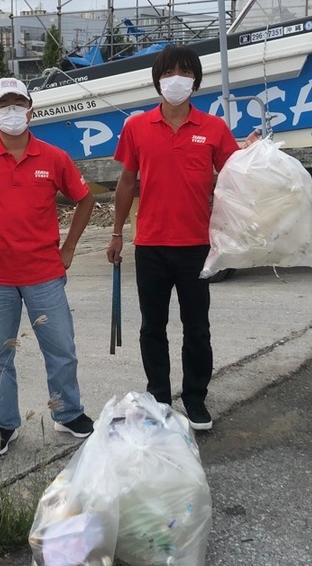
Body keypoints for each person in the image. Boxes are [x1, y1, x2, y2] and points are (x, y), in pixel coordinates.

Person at [106, 45, 256, 431]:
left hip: (196, 247)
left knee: (197, 328)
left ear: (196, 81)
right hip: (150, 245)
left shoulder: (213, 128)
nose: (177, 79)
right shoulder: (137, 127)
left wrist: (250, 153)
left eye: (185, 73)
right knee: (151, 327)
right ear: (158, 80)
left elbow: (234, 174)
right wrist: (117, 233)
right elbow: (127, 182)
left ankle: (195, 398)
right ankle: (158, 396)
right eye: (169, 72)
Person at [0, 77, 97, 457]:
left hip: (44, 273)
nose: (12, 111)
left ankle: (67, 412)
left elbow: (84, 200)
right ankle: (3, 423)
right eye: (4, 105)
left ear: (31, 111)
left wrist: (69, 248)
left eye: (18, 104)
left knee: (61, 349)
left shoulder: (54, 157)